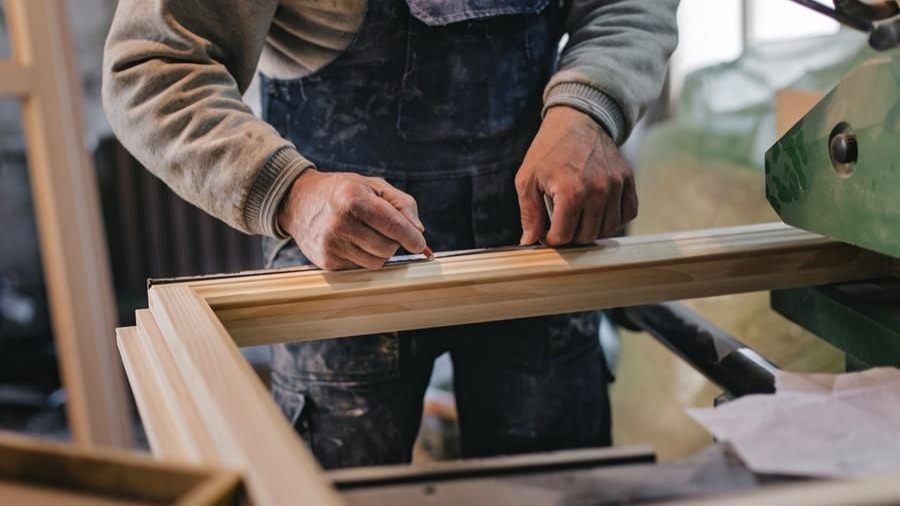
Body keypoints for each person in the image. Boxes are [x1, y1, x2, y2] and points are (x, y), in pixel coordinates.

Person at [103, 0, 679, 469]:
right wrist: (292, 194)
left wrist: (588, 108)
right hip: (339, 250)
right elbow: (152, 67)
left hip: (539, 236)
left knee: (560, 482)